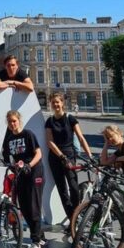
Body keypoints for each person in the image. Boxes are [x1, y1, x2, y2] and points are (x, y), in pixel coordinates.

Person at [2, 110, 46, 248]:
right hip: (21, 174)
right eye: (9, 122)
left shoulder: (28, 134)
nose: (12, 124)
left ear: (19, 120)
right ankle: (39, 236)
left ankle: (36, 244)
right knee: (24, 208)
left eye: (14, 121)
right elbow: (8, 157)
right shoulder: (9, 139)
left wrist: (29, 165)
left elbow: (38, 154)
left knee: (34, 207)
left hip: (35, 172)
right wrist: (8, 164)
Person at [44, 93, 92, 227]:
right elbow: (49, 142)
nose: (55, 105)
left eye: (57, 102)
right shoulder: (49, 121)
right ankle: (73, 221)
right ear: (51, 104)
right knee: (63, 191)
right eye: (53, 102)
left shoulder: (70, 118)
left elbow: (81, 138)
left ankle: (74, 215)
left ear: (62, 103)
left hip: (70, 156)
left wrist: (90, 156)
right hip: (55, 157)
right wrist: (61, 156)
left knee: (74, 187)